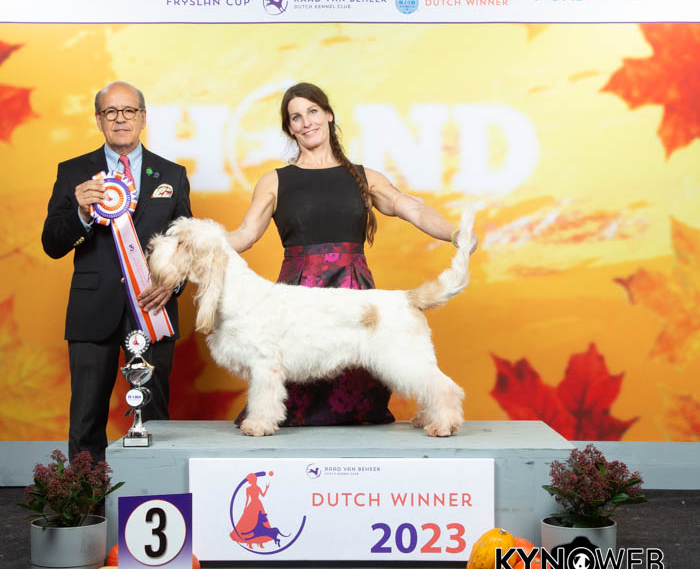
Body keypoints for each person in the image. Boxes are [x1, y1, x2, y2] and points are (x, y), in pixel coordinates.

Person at [229, 82, 469, 427]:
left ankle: (438, 405)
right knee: (289, 399)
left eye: (313, 111)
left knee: (360, 403)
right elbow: (245, 234)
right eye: (296, 117)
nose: (306, 122)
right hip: (295, 302)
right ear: (289, 128)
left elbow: (413, 209)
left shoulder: (365, 177)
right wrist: (199, 244)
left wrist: (455, 234)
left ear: (328, 115)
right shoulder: (273, 181)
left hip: (354, 296)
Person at [41, 81, 192, 463]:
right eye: (110, 111)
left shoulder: (172, 174)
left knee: (154, 414)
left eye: (128, 111)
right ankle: (84, 494)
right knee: (86, 417)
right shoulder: (73, 172)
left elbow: (186, 243)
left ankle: (155, 488)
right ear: (99, 119)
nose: (120, 119)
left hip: (152, 308)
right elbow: (52, 243)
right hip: (92, 311)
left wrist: (172, 283)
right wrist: (81, 213)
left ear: (143, 117)